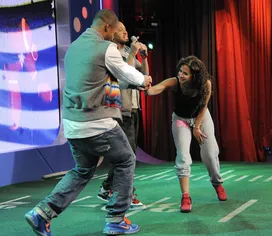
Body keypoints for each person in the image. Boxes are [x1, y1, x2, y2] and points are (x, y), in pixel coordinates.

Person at [24, 9, 152, 236]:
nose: (115, 35)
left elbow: (98, 82)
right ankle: (116, 218)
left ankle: (42, 213)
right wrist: (143, 79)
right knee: (125, 160)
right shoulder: (106, 48)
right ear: (106, 27)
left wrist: (134, 83)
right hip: (97, 122)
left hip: (73, 125)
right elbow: (126, 73)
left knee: (83, 169)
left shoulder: (74, 48)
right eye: (114, 31)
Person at [145, 55, 227, 213]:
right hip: (180, 119)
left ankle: (217, 183)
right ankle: (185, 196)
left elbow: (203, 106)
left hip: (201, 118)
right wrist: (146, 87)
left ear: (194, 76)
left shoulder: (205, 84)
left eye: (185, 73)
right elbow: (156, 89)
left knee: (210, 154)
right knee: (183, 156)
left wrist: (197, 127)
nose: (180, 75)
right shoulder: (175, 82)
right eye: (180, 71)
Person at [97, 22, 149, 210]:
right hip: (119, 110)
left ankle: (107, 187)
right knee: (127, 156)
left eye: (127, 29)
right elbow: (123, 77)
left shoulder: (128, 51)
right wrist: (133, 54)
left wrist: (143, 57)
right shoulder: (111, 53)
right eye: (121, 30)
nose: (126, 32)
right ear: (111, 32)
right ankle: (125, 193)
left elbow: (144, 77)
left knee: (127, 154)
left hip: (133, 109)